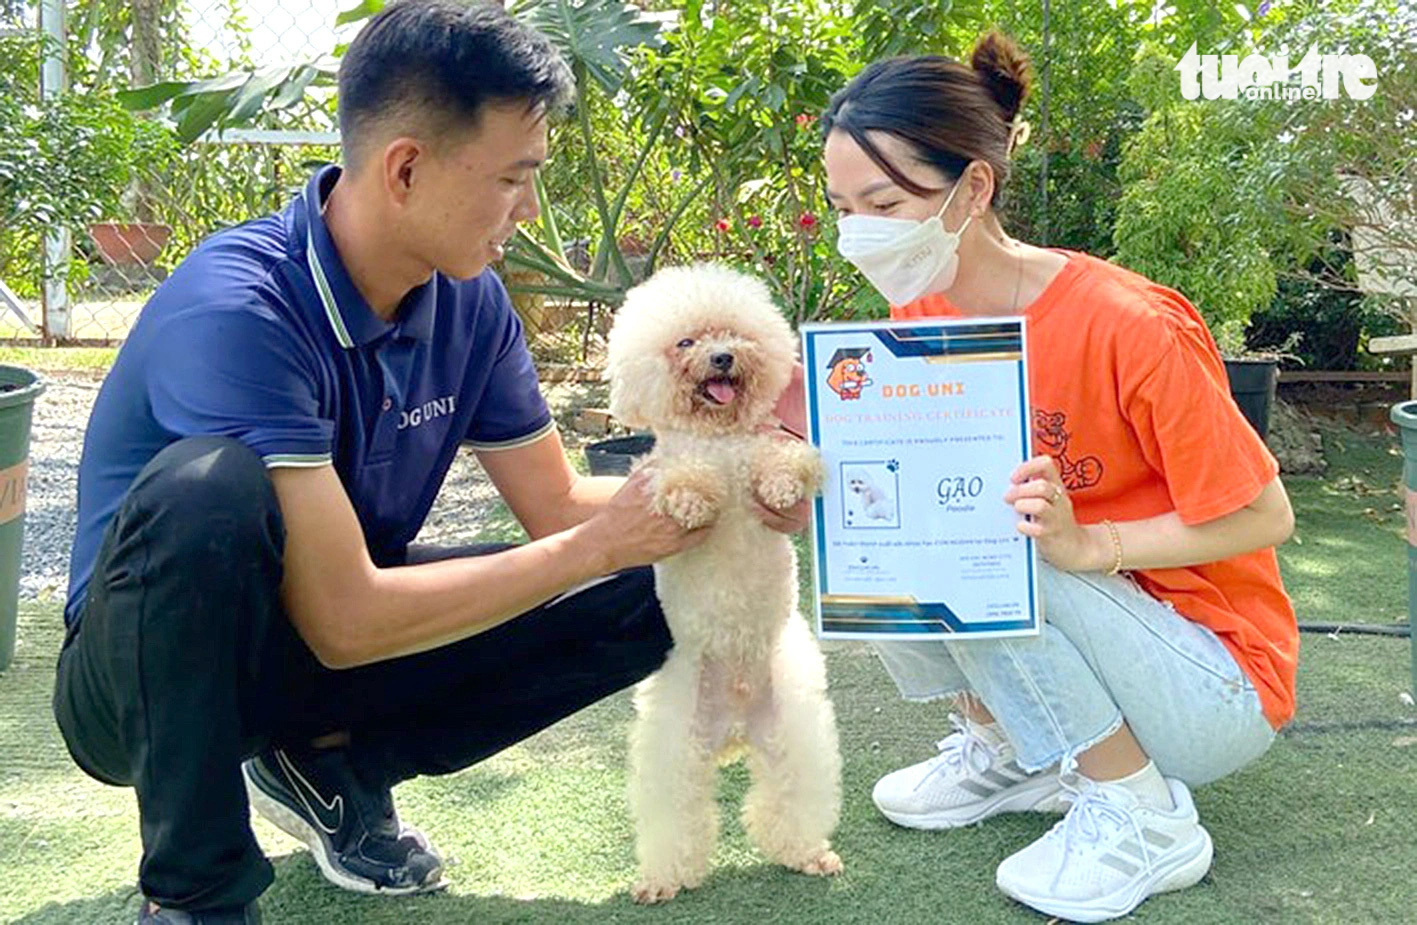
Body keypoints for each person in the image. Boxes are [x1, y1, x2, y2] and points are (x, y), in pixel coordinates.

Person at [52, 3, 808, 922]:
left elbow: (559, 505)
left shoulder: (470, 302)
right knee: (206, 490)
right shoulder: (238, 308)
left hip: (328, 619)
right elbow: (342, 620)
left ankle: (330, 762)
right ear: (405, 167)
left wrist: (734, 501)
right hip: (141, 686)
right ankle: (198, 893)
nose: (530, 208)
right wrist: (598, 545)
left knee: (657, 577)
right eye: (513, 178)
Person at [818, 32, 1298, 923]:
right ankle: (1015, 748)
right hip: (1092, 640)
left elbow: (1264, 515)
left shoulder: (1128, 324)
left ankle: (1145, 816)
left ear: (972, 188)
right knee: (891, 517)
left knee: (996, 540)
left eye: (882, 201)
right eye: (843, 204)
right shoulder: (914, 308)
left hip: (1212, 683)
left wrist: (1088, 544)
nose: (859, 230)